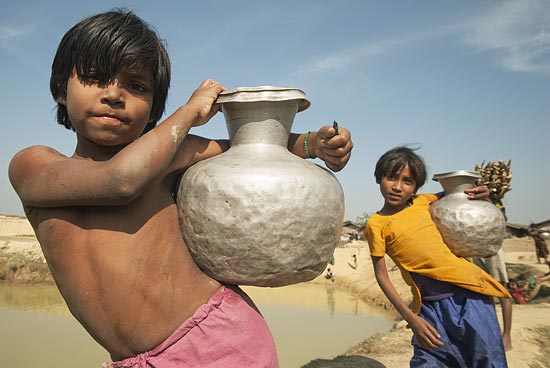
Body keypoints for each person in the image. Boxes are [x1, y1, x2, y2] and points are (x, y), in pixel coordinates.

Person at [8, 9, 353, 368]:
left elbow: (249, 146)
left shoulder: (169, 155)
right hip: (136, 360)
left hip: (220, 340)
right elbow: (120, 180)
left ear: (154, 108)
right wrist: (188, 113)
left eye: (136, 86)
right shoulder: (33, 165)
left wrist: (316, 145)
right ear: (61, 88)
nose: (114, 95)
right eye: (95, 77)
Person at [365, 146, 511, 368]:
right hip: (429, 310)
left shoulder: (422, 202)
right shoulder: (376, 224)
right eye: (391, 177)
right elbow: (382, 275)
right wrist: (412, 319)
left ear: (416, 187)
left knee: (486, 360)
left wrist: (481, 194)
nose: (397, 187)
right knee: (429, 362)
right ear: (379, 177)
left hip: (469, 298)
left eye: (407, 181)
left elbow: (457, 196)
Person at [473, 249, 513, 351]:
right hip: (472, 248)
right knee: (485, 289)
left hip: (490, 247)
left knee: (501, 288)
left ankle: (507, 336)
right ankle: (496, 330)